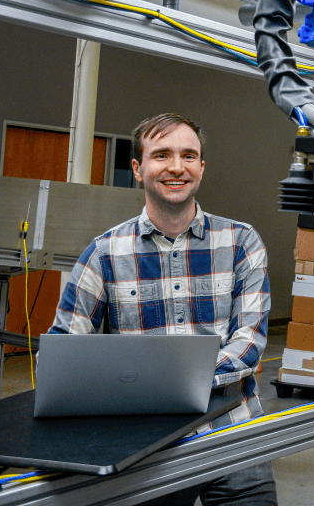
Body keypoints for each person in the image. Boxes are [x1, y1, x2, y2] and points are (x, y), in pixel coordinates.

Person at [49, 113, 277, 506]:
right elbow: (65, 351)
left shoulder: (241, 242)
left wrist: (155, 384)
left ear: (202, 168)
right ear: (138, 168)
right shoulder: (104, 253)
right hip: (144, 447)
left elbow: (249, 344)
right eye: (161, 155)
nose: (176, 167)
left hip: (233, 433)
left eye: (189, 156)